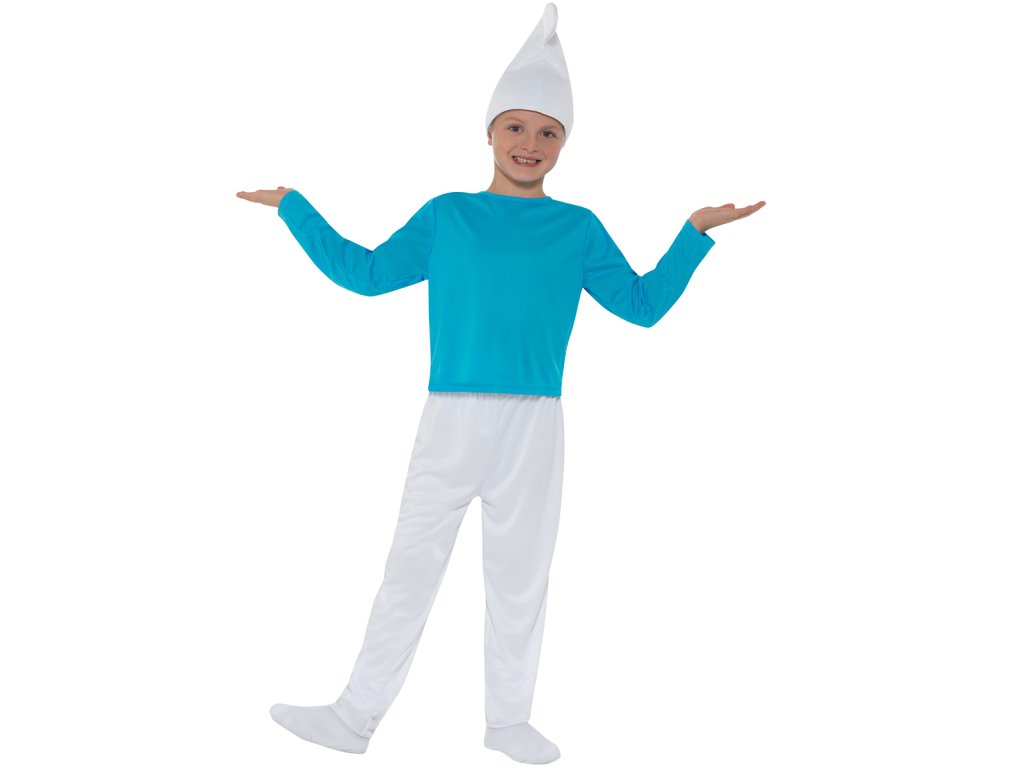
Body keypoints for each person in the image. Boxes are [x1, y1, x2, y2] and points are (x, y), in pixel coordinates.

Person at [236, 4, 763, 764]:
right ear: (488, 132)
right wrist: (295, 208)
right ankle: (353, 717)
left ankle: (508, 721)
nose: (530, 144)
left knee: (520, 576)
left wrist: (694, 235)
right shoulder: (449, 215)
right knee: (410, 568)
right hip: (450, 416)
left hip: (534, 423)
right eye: (516, 127)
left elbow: (642, 306)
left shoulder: (578, 227)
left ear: (564, 145)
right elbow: (367, 273)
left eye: (548, 133)